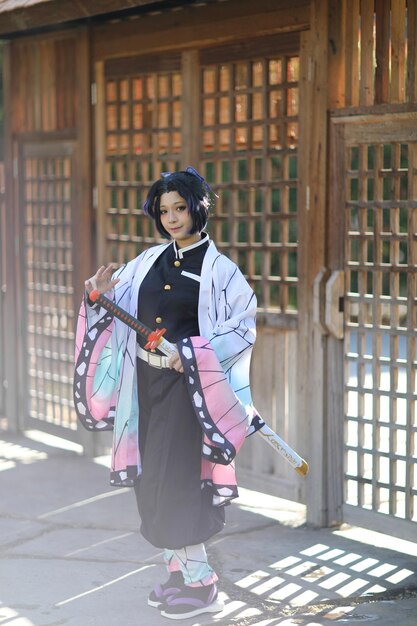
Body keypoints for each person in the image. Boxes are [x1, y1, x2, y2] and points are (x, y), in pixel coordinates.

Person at [73, 166, 258, 620]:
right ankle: (177, 574)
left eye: (180, 208)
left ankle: (202, 581)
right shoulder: (148, 261)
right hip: (145, 384)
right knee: (153, 478)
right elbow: (117, 314)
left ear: (199, 207)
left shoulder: (221, 271)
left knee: (178, 480)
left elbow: (243, 326)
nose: (172, 217)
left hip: (187, 390)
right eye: (164, 210)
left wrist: (195, 351)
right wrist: (97, 297)